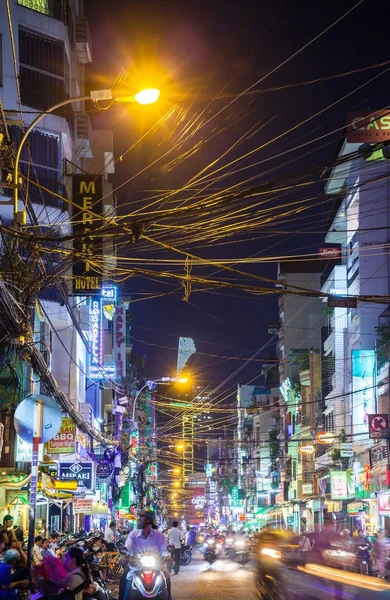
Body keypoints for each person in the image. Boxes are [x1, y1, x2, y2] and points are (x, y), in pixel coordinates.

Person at [121, 511, 169, 600]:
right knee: (124, 579)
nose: (138, 520)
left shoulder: (159, 535)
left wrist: (167, 556)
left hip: (156, 567)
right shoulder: (133, 534)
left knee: (166, 579)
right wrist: (124, 554)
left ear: (148, 520)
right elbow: (127, 546)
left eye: (141, 517)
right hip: (136, 568)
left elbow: (164, 549)